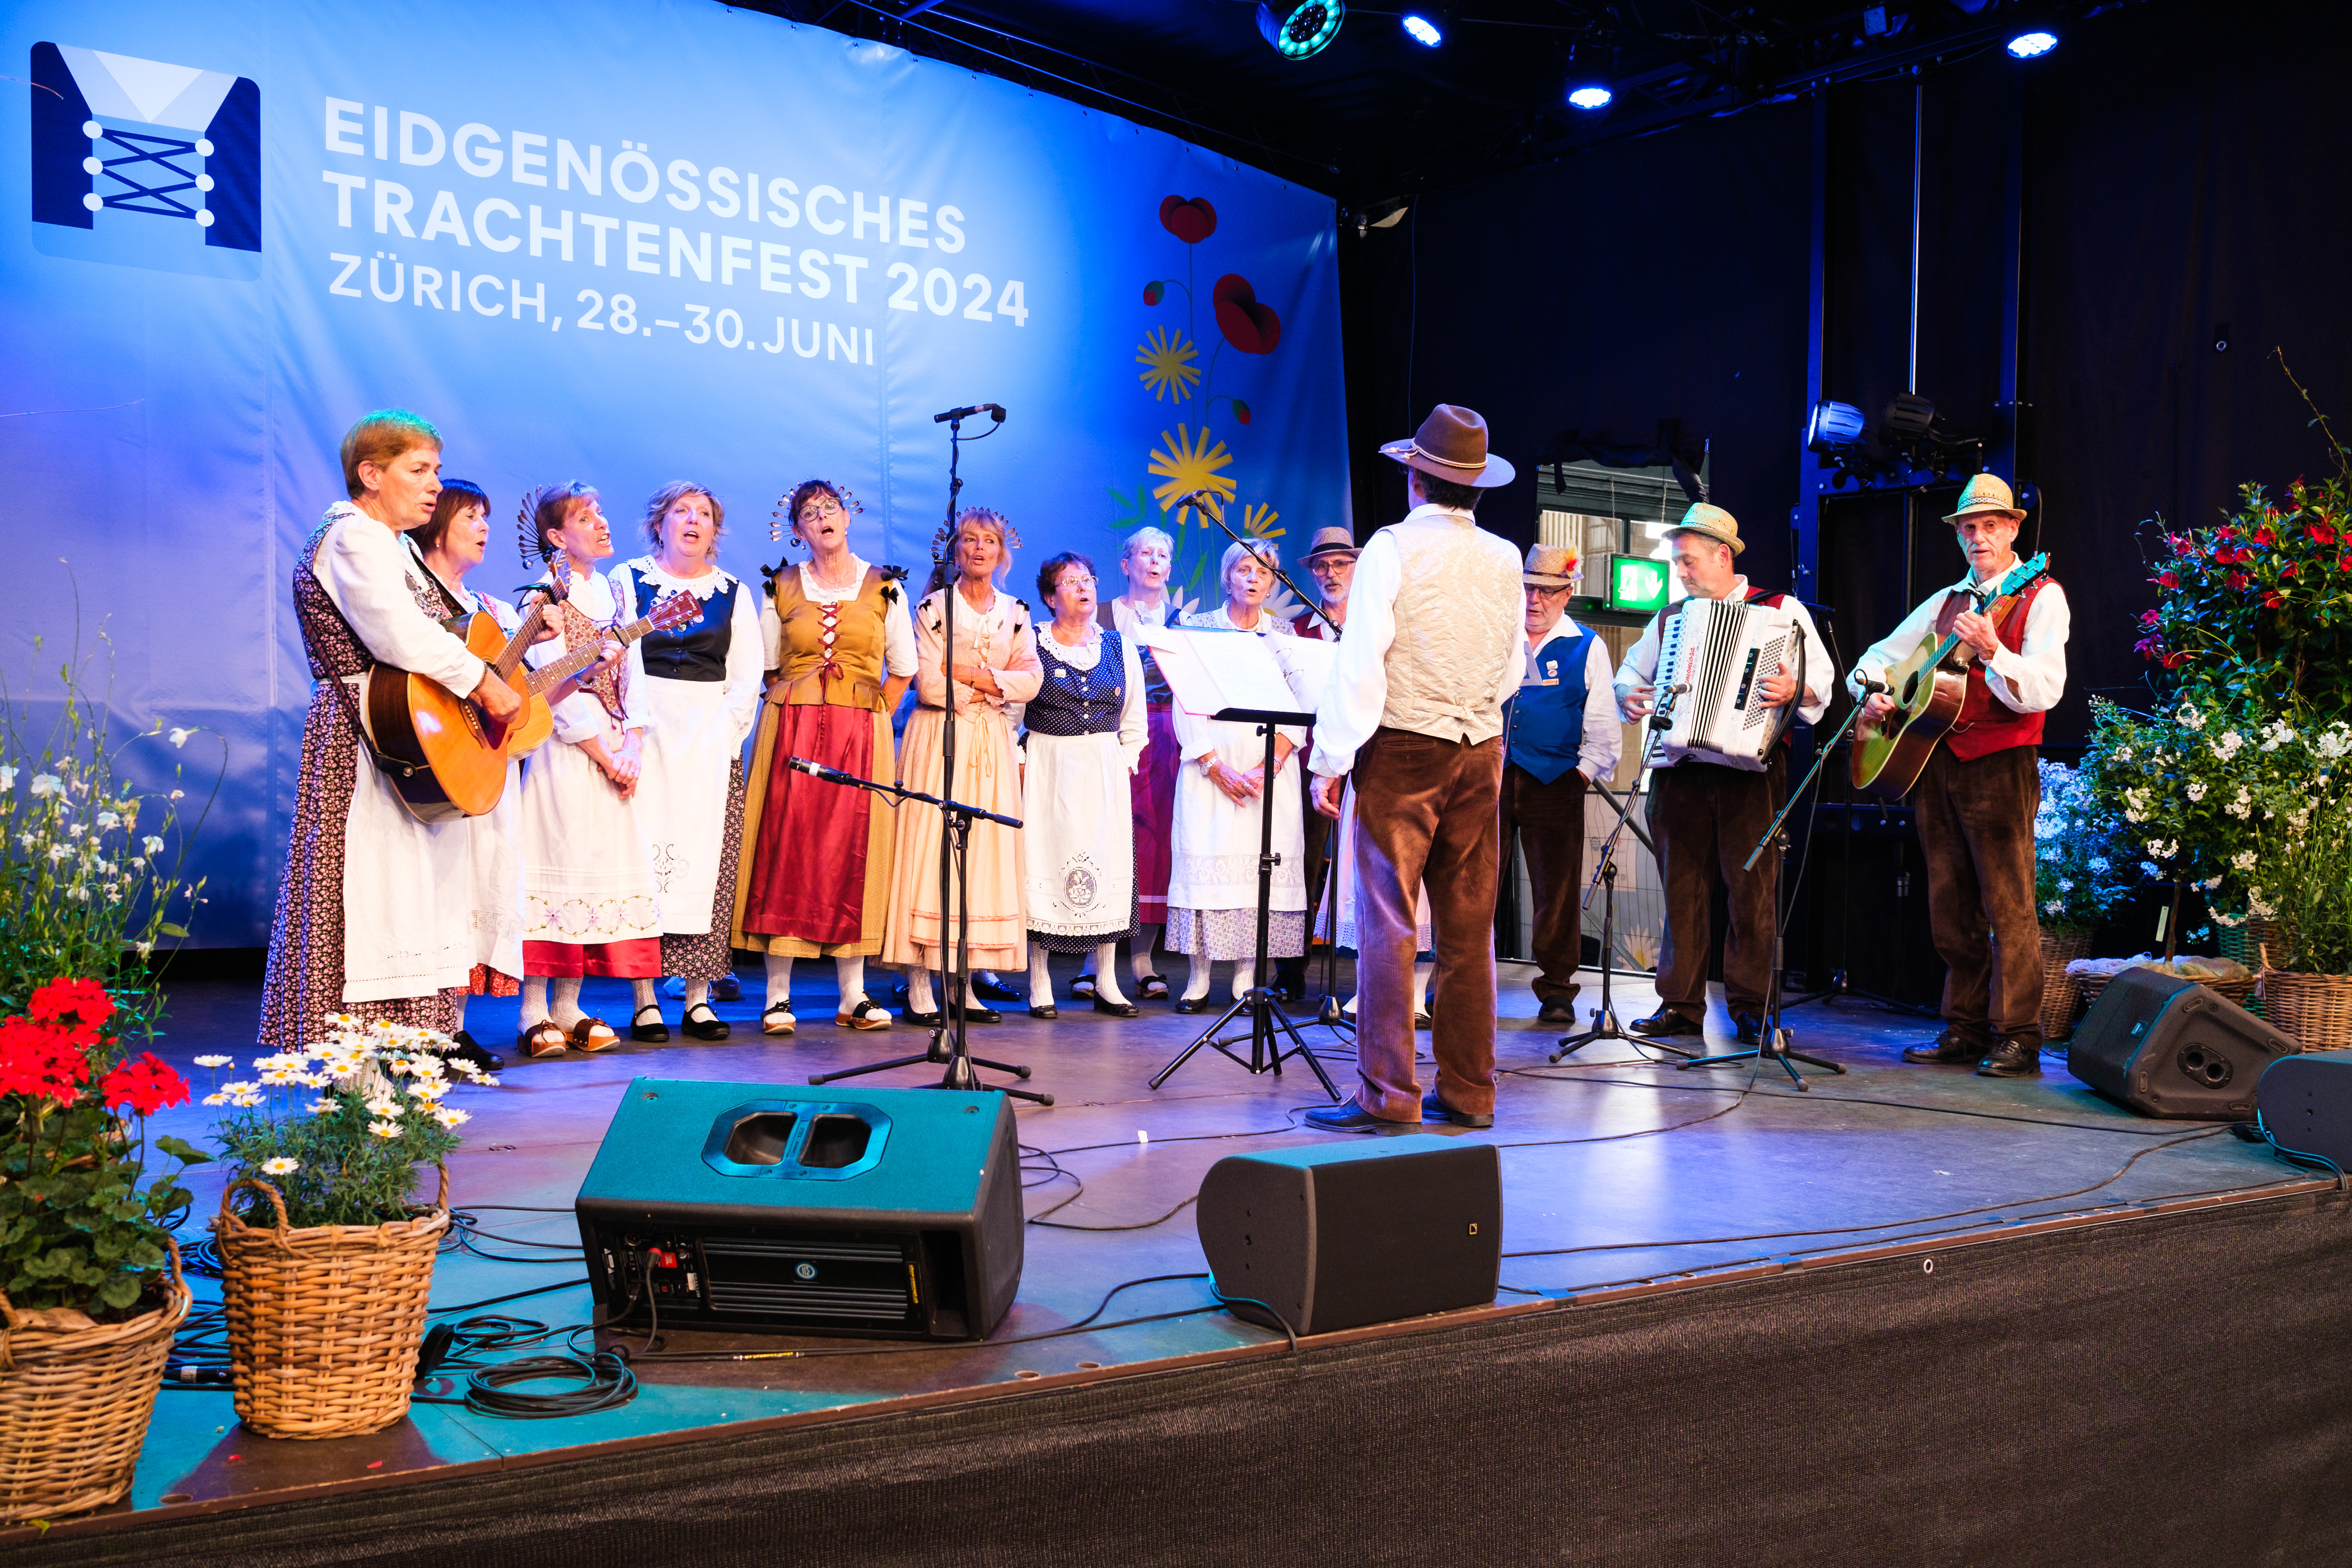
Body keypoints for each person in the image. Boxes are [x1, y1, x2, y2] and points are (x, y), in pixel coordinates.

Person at [258, 411, 522, 1052]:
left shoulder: (394, 543)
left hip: (407, 732)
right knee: (367, 884)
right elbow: (396, 634)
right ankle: (358, 1073)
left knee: (411, 890)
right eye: (419, 470)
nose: (434, 485)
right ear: (371, 474)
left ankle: (405, 1057)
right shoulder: (353, 537)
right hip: (362, 731)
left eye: (436, 469)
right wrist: (483, 683)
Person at [1303, 404, 1525, 1133]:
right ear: (1477, 489)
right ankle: (1470, 1092)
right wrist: (1470, 713)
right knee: (1468, 929)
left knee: (1388, 923)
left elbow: (1361, 660)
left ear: (1416, 480)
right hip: (1480, 749)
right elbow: (1513, 666)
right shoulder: (1502, 557)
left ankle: (1387, 1095)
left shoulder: (1392, 548)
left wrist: (1330, 760)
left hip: (1403, 747)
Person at [1851, 473, 2069, 1078]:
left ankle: (2020, 1035)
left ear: (2013, 529)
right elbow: (1879, 656)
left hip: (2001, 763)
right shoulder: (1946, 600)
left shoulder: (2040, 594)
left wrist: (1994, 649)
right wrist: (1872, 692)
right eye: (1969, 527)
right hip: (1936, 761)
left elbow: (2047, 689)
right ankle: (1966, 1027)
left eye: (1989, 525)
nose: (1978, 536)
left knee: (2009, 906)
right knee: (1949, 905)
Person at [405, 479, 618, 1074]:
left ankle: (452, 1028)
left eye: (486, 517)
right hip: (434, 764)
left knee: (475, 890)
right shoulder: (414, 602)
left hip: (484, 768)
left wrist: (581, 666)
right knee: (434, 892)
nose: (484, 527)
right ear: (438, 524)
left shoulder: (493, 611)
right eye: (471, 516)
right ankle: (422, 1031)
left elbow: (522, 699)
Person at [1612, 504, 1831, 1044]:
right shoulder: (1669, 618)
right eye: (1677, 563)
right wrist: (1628, 696)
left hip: (1749, 772)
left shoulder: (1782, 611)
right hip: (1679, 769)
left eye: (1687, 562)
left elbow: (1820, 686)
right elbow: (1628, 676)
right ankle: (1681, 1005)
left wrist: (1792, 690)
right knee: (1680, 890)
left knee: (1750, 891)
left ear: (1722, 555)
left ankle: (1752, 1006)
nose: (1680, 573)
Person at [732, 480, 916, 1035]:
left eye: (829, 508)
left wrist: (869, 717)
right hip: (792, 728)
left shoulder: (886, 586)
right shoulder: (779, 586)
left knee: (852, 852)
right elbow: (764, 665)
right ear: (798, 531)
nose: (822, 518)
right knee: (786, 848)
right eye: (809, 514)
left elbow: (903, 667)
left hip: (859, 733)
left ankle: (853, 994)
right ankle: (778, 995)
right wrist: (800, 704)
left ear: (847, 517)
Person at [514, 483, 666, 1058]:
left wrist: (633, 744)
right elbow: (551, 687)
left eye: (601, 513)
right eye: (585, 516)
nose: (601, 524)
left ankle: (568, 1004)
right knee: (556, 862)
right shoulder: (543, 598)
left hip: (612, 746)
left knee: (595, 866)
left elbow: (636, 677)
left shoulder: (614, 593)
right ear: (557, 536)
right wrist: (605, 753)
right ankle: (534, 1009)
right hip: (567, 749)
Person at [610, 484, 762, 1044]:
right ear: (661, 524)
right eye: (682, 512)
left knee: (707, 864)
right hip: (645, 730)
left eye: (704, 514)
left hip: (706, 735)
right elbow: (620, 657)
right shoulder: (629, 580)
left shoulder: (733, 593)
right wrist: (633, 726)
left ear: (715, 531)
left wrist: (724, 737)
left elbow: (746, 674)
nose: (693, 521)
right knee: (643, 862)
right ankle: (645, 998)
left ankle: (698, 998)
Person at [883, 508, 1042, 1023]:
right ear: (955, 550)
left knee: (979, 857)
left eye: (989, 541)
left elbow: (1031, 681)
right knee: (931, 850)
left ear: (1002, 553)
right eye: (969, 540)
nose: (978, 549)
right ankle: (921, 982)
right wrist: (994, 682)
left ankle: (964, 983)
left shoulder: (1016, 612)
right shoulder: (933, 608)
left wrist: (970, 672)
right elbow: (928, 684)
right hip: (939, 737)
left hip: (991, 743)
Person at [1167, 539, 1308, 1012]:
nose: (1253, 578)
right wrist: (1213, 764)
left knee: (1257, 874)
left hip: (1269, 771)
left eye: (1264, 572)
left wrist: (1272, 763)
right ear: (1228, 576)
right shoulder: (1197, 629)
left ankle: (1247, 979)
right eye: (1244, 569)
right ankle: (1198, 980)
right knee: (1208, 866)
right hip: (1211, 771)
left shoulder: (1284, 634)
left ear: (1274, 582)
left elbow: (1301, 705)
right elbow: (1185, 702)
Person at [1021, 552, 1147, 1019]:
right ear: (1051, 597)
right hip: (1049, 765)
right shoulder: (1030, 641)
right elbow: (1014, 713)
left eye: (1088, 579)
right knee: (1045, 864)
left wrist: (1123, 762)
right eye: (1070, 581)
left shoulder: (1119, 646)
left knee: (1107, 863)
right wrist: (1021, 761)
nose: (1083, 587)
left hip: (1103, 767)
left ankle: (1107, 981)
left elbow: (1134, 721)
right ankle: (1040, 981)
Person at [1501, 543, 1622, 1024]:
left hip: (1555, 781)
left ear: (1567, 593)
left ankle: (1556, 990)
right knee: (1473, 886)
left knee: (1557, 891)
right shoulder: (1500, 636)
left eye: (1548, 591)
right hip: (1490, 775)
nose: (1535, 600)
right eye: (1529, 588)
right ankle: (1461, 981)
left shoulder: (1586, 645)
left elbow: (1604, 727)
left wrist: (1580, 775)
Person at [1094, 525, 1180, 1002]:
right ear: (1126, 565)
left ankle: (1143, 960)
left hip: (1165, 737)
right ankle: (1094, 958)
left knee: (1153, 846)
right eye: (1145, 554)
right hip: (1111, 732)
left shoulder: (1182, 618)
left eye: (1162, 555)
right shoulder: (1103, 614)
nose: (1154, 562)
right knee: (1106, 837)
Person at [1278, 525, 1357, 1002]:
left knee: (1365, 867)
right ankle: (1291, 970)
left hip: (1367, 762)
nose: (1330, 574)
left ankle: (1368, 975)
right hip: (1310, 762)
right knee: (1301, 866)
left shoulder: (1374, 623)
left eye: (1340, 565)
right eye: (1323, 567)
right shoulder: (1297, 630)